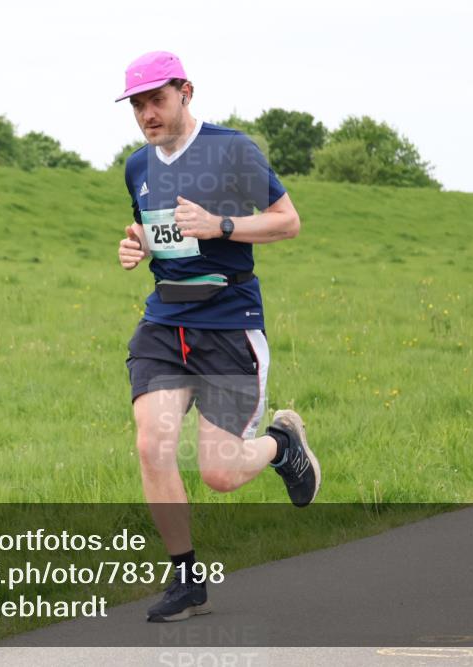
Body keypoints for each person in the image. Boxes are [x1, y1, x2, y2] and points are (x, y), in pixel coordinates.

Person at [114, 51, 322, 623]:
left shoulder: (233, 150)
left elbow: (288, 220)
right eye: (137, 104)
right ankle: (186, 579)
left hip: (229, 324)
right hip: (165, 323)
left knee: (220, 473)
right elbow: (154, 230)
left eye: (157, 99)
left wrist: (223, 225)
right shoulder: (137, 165)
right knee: (150, 443)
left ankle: (283, 444)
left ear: (186, 91)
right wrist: (135, 245)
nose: (147, 113)